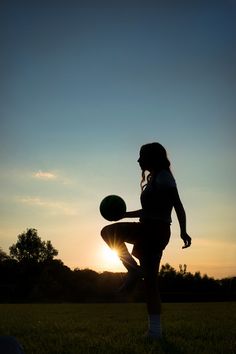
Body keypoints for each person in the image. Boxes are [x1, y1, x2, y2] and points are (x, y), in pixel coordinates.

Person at [101, 142, 191, 339]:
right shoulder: (154, 180)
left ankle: (133, 270)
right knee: (150, 283)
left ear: (152, 157)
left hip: (154, 230)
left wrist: (183, 231)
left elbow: (178, 205)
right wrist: (123, 214)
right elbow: (148, 211)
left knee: (108, 232)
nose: (138, 160)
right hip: (149, 228)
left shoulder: (164, 178)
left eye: (142, 156)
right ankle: (155, 332)